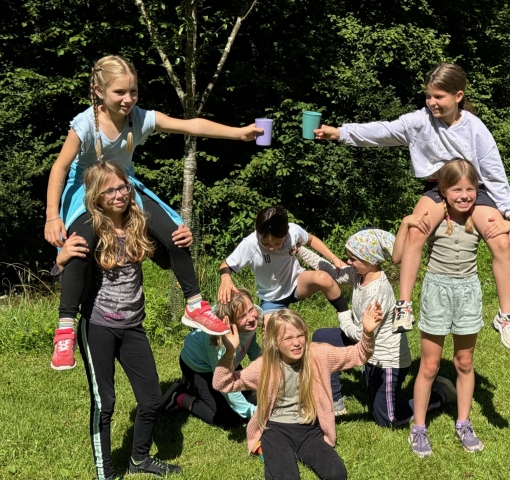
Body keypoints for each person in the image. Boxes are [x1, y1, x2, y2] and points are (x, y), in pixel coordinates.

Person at [46, 54, 263, 370]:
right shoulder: (85, 124)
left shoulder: (139, 118)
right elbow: (60, 167)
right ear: (98, 91)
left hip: (124, 186)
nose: (128, 99)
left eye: (133, 91)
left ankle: (194, 305)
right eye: (120, 92)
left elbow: (189, 125)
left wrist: (239, 133)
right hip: (86, 190)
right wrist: (53, 216)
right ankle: (65, 329)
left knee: (177, 235)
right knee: (77, 246)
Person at [314, 62, 510, 351]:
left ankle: (505, 317)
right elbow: (384, 131)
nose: (432, 102)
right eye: (428, 96)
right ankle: (404, 305)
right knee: (416, 230)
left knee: (501, 239)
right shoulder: (419, 121)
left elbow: (492, 167)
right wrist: (340, 133)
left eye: (439, 97)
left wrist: (508, 208)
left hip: (472, 188)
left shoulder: (474, 127)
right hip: (439, 187)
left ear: (458, 96)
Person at [56, 161, 182, 479]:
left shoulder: (138, 223)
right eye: (109, 190)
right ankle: (106, 473)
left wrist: (179, 239)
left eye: (123, 187)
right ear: (96, 196)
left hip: (133, 326)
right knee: (106, 404)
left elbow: (166, 259)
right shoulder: (89, 229)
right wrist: (60, 259)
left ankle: (138, 459)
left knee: (151, 399)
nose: (119, 195)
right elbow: (71, 274)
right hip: (98, 326)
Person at [396, 160, 510, 457]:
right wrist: (406, 223)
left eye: (470, 189)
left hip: (468, 292)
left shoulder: (480, 216)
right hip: (437, 291)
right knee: (430, 365)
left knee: (464, 362)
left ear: (478, 190)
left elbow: (507, 258)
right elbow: (401, 254)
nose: (464, 195)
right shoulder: (434, 216)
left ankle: (463, 423)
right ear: (443, 192)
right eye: (457, 190)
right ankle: (418, 427)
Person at [297, 230, 457, 422]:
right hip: (366, 345)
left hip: (386, 359)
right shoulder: (359, 273)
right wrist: (299, 250)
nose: (348, 262)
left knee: (388, 419)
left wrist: (344, 314)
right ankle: (334, 399)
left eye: (353, 259)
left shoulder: (377, 292)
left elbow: (360, 334)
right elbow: (331, 273)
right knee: (322, 339)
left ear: (370, 260)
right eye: (349, 257)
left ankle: (439, 395)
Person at [213, 307, 382, 480]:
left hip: (309, 428)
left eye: (300, 335)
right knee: (286, 477)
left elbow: (358, 354)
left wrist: (368, 333)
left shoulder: (319, 355)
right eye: (288, 338)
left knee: (337, 474)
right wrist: (229, 353)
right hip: (275, 430)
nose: (296, 343)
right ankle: (269, 449)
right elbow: (222, 383)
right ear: (275, 342)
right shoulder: (264, 366)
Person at [218, 206, 349, 319]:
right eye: (265, 243)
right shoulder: (251, 244)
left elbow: (311, 240)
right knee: (270, 333)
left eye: (277, 242)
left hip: (297, 282)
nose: (271, 247)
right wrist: (226, 280)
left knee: (324, 278)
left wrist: (334, 258)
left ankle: (346, 316)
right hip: (271, 297)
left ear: (285, 233)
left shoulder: (293, 231)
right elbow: (226, 265)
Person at [161, 288, 262, 428]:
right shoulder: (220, 344)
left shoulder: (254, 317)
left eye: (251, 310)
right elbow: (223, 382)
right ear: (230, 321)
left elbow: (251, 346)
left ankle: (194, 388)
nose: (251, 318)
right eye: (242, 316)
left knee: (254, 400)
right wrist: (253, 413)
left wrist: (268, 364)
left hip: (229, 362)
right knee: (229, 420)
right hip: (200, 368)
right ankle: (180, 396)